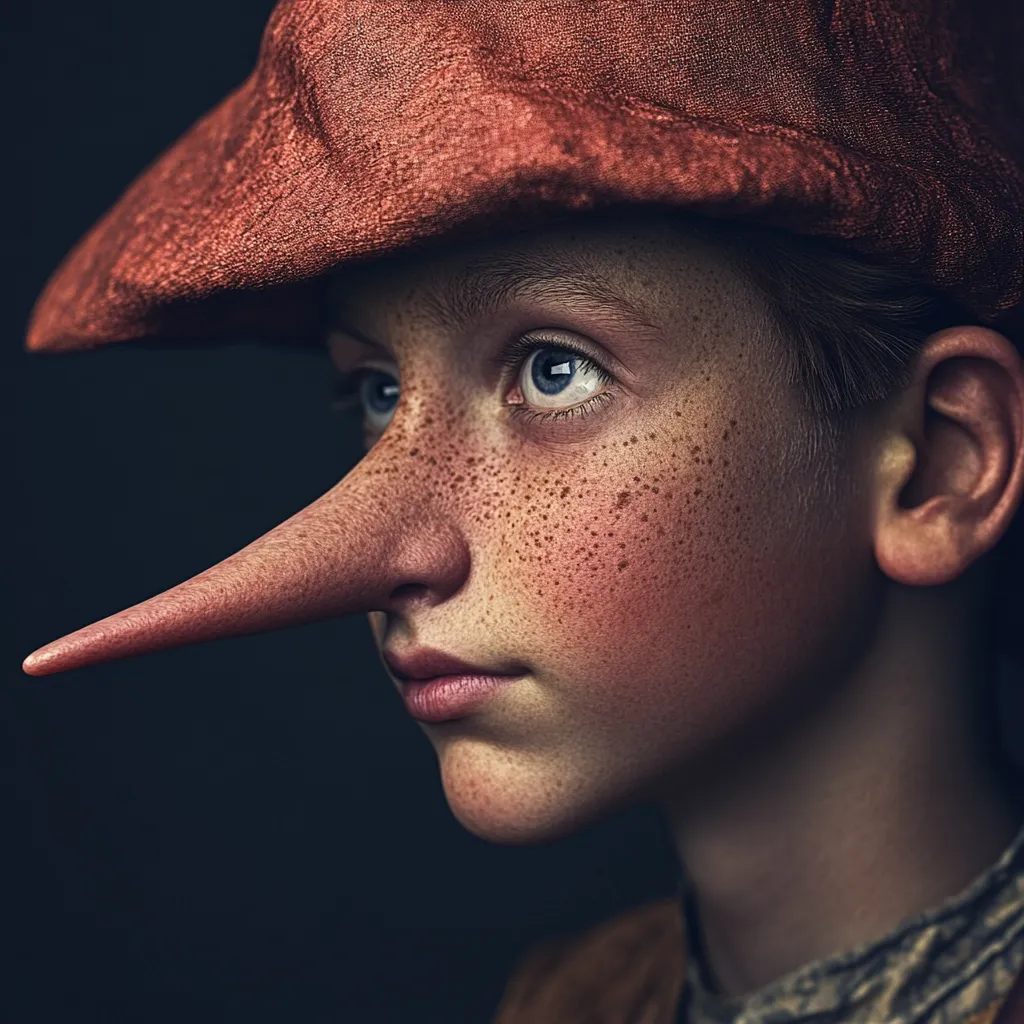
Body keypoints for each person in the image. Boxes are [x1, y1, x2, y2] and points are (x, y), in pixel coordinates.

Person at [22, 1, 1024, 1021]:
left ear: (941, 461)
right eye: (375, 391)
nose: (384, 557)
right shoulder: (564, 1000)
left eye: (553, 370)